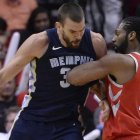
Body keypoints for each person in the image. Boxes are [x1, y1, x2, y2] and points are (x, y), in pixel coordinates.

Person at [0, 2, 107, 140]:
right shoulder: (39, 42)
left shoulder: (95, 42)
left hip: (67, 124)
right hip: (32, 120)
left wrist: (104, 99)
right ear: (59, 26)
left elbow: (102, 80)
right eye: (72, 32)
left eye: (81, 30)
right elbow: (4, 75)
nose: (78, 36)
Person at [67, 16, 140, 139]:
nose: (113, 39)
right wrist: (103, 97)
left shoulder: (120, 61)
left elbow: (73, 77)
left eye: (117, 33)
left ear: (131, 35)